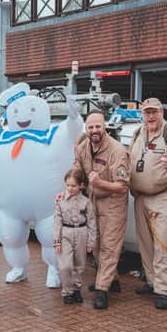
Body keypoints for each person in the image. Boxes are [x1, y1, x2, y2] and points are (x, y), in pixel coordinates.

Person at [128, 97, 167, 310]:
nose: (151, 116)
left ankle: (163, 290)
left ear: (162, 112)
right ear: (142, 114)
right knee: (145, 243)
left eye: (154, 112)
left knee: (163, 245)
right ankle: (152, 281)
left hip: (163, 196)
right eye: (147, 112)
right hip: (140, 198)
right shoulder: (137, 133)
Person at [73, 109, 130, 309]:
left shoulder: (117, 151)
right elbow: (77, 172)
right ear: (86, 129)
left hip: (113, 202)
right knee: (95, 244)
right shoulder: (82, 147)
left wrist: (99, 182)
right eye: (91, 127)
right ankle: (111, 279)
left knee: (109, 245)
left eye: (98, 126)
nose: (94, 130)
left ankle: (102, 289)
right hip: (92, 200)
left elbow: (122, 186)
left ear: (104, 127)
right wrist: (69, 188)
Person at [53, 169, 97, 304]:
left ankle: (76, 289)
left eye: (73, 186)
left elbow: (91, 221)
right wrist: (57, 241)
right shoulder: (60, 200)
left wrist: (91, 242)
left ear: (81, 185)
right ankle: (67, 291)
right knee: (65, 266)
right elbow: (56, 221)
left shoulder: (86, 202)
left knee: (79, 264)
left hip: (81, 232)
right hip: (65, 232)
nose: (70, 188)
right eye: (68, 185)